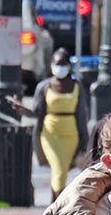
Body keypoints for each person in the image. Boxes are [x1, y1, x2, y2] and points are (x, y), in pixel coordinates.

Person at [17, 48, 89, 202]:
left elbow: (82, 114)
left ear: (69, 66)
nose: (60, 67)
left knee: (62, 170)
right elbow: (36, 112)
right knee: (59, 169)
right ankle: (58, 203)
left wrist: (85, 138)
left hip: (71, 134)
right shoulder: (44, 87)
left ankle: (55, 203)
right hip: (50, 134)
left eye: (63, 64)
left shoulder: (77, 86)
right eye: (57, 64)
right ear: (51, 65)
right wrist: (22, 109)